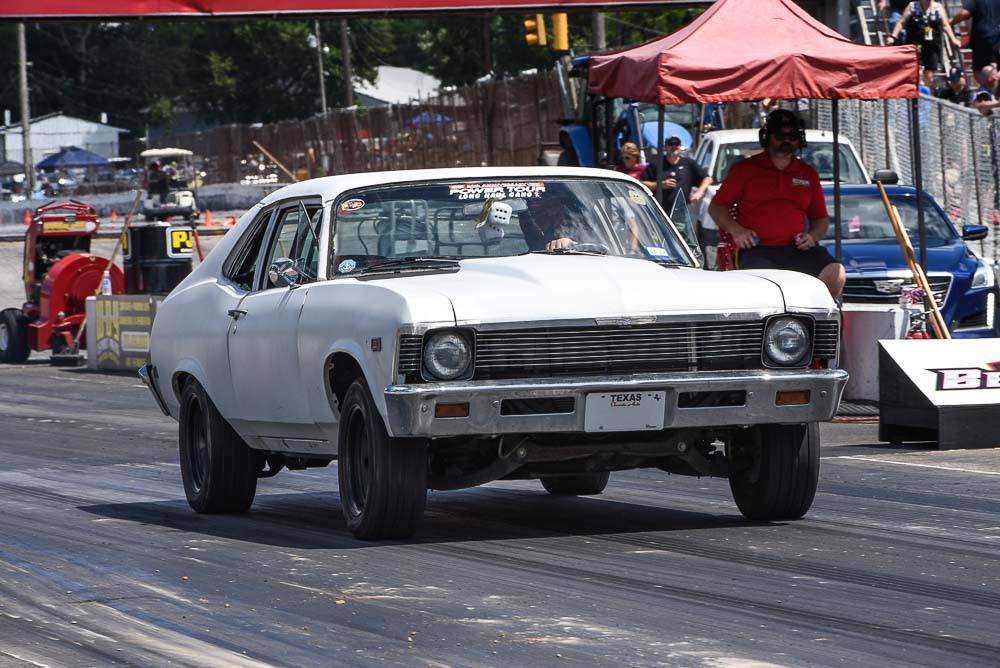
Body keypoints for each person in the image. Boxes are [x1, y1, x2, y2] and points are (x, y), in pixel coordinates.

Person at [707, 109, 845, 299]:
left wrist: (811, 237)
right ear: (767, 137)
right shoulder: (745, 170)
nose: (786, 141)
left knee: (836, 272)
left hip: (798, 250)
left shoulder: (808, 173)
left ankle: (818, 322)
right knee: (767, 289)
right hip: (756, 250)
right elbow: (717, 207)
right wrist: (736, 230)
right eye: (780, 135)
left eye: (793, 136)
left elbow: (820, 219)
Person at [888, 1, 961, 88]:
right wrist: (893, 36)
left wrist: (953, 39)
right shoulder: (912, 6)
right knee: (915, 71)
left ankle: (925, 91)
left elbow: (945, 25)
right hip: (915, 43)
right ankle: (916, 91)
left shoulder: (938, 7)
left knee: (929, 75)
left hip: (932, 45)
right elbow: (901, 22)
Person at [640, 136, 712, 212]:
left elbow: (708, 178)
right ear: (665, 147)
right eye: (671, 144)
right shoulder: (656, 164)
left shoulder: (689, 163)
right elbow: (642, 183)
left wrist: (699, 193)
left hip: (681, 213)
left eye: (677, 144)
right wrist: (660, 185)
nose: (674, 146)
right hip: (659, 212)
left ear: (680, 146)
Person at [952, 0, 1000, 71]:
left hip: (984, 38)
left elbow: (964, 13)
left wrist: (951, 22)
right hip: (996, 37)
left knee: (980, 70)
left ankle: (992, 74)